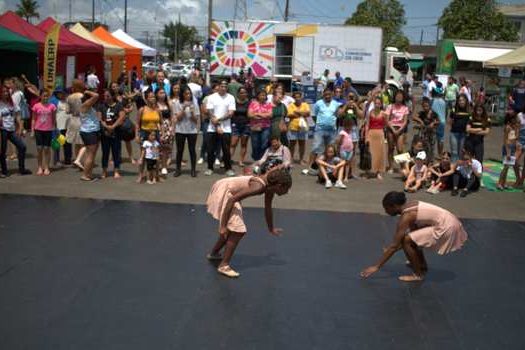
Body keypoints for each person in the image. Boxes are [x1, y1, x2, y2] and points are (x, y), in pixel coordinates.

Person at [360, 191, 468, 282]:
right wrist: (396, 248)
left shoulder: (407, 216)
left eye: (386, 208)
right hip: (450, 221)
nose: (385, 211)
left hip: (447, 227)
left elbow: (395, 245)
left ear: (394, 206)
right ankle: (421, 265)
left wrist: (376, 266)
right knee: (412, 239)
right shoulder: (411, 206)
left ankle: (418, 275)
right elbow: (415, 236)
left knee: (407, 240)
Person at [206, 166, 292, 278]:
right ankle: (224, 266)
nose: (286, 192)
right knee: (238, 231)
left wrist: (271, 228)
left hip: (229, 191)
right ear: (279, 185)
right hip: (226, 192)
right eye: (286, 189)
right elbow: (232, 200)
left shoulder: (269, 188)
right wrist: (222, 226)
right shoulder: (259, 186)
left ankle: (214, 254)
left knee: (233, 228)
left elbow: (267, 208)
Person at [306, 89, 342, 173]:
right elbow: (314, 115)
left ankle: (327, 168)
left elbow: (338, 115)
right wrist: (319, 123)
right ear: (323, 95)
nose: (327, 96)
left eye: (329, 94)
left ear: (332, 94)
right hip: (320, 129)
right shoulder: (318, 103)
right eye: (325, 94)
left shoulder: (335, 104)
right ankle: (310, 167)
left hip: (332, 130)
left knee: (330, 149)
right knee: (315, 148)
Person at [205, 80, 236, 176]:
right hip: (212, 128)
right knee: (210, 149)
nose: (223, 88)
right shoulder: (211, 97)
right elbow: (209, 111)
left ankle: (228, 168)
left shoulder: (231, 97)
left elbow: (231, 113)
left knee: (226, 150)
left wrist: (219, 120)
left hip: (226, 128)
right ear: (218, 86)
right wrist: (217, 124)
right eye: (221, 86)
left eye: (225, 86)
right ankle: (210, 167)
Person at [0, 86, 31, 177]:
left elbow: (18, 115)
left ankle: (22, 169)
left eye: (6, 92)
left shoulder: (12, 103)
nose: (5, 93)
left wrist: (20, 128)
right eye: (3, 92)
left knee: (22, 147)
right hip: (2, 130)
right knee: (2, 151)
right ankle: (4, 171)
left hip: (11, 130)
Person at [98, 89, 126, 179]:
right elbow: (99, 118)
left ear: (112, 96)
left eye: (108, 96)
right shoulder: (101, 105)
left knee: (116, 152)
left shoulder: (118, 105)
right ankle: (104, 171)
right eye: (105, 96)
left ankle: (116, 170)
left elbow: (122, 117)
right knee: (105, 152)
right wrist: (105, 126)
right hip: (104, 132)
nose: (105, 98)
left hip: (116, 132)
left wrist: (113, 126)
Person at [173, 86, 200, 177]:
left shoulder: (194, 103)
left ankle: (193, 169)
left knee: (192, 150)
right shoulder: (177, 103)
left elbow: (196, 119)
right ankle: (178, 169)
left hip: (192, 130)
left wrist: (192, 113)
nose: (188, 95)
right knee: (179, 150)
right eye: (186, 94)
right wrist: (183, 108)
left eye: (189, 94)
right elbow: (178, 118)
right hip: (180, 130)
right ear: (182, 94)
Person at [135, 89, 161, 183]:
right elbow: (137, 124)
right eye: (150, 97)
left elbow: (161, 123)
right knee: (143, 154)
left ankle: (156, 175)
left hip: (155, 133)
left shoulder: (157, 110)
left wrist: (161, 133)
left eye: (154, 97)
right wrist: (137, 135)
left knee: (156, 155)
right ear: (146, 99)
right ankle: (141, 175)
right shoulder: (142, 109)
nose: (152, 99)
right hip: (144, 132)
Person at [31, 90, 57, 176]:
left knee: (47, 149)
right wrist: (32, 131)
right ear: (40, 96)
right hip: (38, 130)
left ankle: (46, 167)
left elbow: (54, 119)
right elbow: (34, 119)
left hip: (48, 130)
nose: (45, 97)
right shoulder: (36, 106)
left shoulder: (52, 106)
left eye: (47, 96)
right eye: (44, 96)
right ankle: (39, 167)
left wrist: (55, 129)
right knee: (39, 149)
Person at [78, 90, 100, 181]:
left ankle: (89, 174)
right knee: (90, 155)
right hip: (89, 132)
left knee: (91, 154)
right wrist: (87, 91)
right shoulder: (85, 105)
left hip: (91, 131)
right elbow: (96, 95)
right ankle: (85, 175)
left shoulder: (88, 106)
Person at [386, 90, 409, 173]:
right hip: (391, 128)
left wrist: (399, 130)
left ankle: (403, 166)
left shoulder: (405, 108)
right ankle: (391, 166)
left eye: (400, 97)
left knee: (400, 149)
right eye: (397, 96)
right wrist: (392, 129)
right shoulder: (390, 106)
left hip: (400, 129)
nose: (399, 98)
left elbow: (405, 121)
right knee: (391, 148)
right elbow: (387, 120)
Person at [365, 96, 388, 180]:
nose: (377, 105)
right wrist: (366, 136)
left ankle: (378, 172)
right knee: (371, 153)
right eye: (375, 103)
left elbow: (385, 125)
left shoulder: (384, 114)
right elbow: (367, 125)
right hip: (371, 133)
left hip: (380, 133)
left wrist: (384, 136)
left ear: (381, 104)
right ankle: (370, 170)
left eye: (378, 103)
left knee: (379, 153)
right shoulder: (370, 112)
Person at [66, 79, 87, 170]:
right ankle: (80, 161)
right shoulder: (83, 96)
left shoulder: (69, 97)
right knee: (83, 142)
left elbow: (67, 111)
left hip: (73, 119)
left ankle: (76, 159)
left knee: (76, 142)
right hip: (82, 119)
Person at [248, 89, 273, 162]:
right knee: (255, 144)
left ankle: (262, 159)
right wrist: (264, 115)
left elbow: (270, 115)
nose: (263, 97)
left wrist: (257, 114)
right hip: (255, 126)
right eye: (261, 95)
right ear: (258, 96)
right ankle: (256, 158)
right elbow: (249, 114)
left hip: (266, 127)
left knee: (264, 144)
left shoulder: (268, 104)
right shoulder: (253, 103)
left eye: (264, 95)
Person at [287, 91, 310, 165]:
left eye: (299, 97)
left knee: (302, 144)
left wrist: (297, 112)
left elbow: (308, 114)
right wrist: (302, 113)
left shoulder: (305, 104)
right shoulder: (291, 105)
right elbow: (289, 115)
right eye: (295, 97)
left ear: (301, 97)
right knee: (292, 144)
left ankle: (301, 159)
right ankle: (291, 159)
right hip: (293, 127)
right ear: (293, 98)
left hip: (303, 128)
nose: (297, 98)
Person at [497, 114, 520, 190]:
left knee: (508, 166)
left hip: (513, 148)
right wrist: (508, 152)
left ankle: (503, 183)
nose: (516, 120)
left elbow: (516, 137)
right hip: (508, 148)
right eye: (515, 118)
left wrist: (517, 128)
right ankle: (500, 183)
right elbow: (505, 140)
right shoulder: (508, 127)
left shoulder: (514, 127)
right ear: (511, 119)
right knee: (506, 166)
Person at [413, 97, 439, 162]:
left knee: (431, 148)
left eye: (427, 106)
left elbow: (438, 121)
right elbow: (413, 117)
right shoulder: (422, 113)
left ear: (430, 106)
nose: (425, 108)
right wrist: (420, 121)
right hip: (424, 133)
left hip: (432, 133)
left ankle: (430, 162)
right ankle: (423, 161)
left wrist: (433, 123)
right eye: (424, 106)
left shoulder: (434, 113)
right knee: (423, 147)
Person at [230, 87, 251, 167]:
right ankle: (228, 159)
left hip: (246, 125)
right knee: (233, 143)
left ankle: (241, 161)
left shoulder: (249, 103)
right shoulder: (234, 102)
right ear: (238, 94)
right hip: (235, 125)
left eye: (245, 92)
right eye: (241, 93)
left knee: (244, 144)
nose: (243, 94)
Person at [155, 87, 173, 176]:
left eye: (163, 93)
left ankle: (164, 166)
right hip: (157, 126)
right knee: (157, 148)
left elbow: (172, 116)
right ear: (156, 94)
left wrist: (172, 128)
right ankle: (156, 165)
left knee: (166, 147)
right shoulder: (154, 105)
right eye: (160, 93)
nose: (162, 95)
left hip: (167, 126)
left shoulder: (168, 104)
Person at [449, 94, 471, 162]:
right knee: (454, 152)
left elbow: (470, 122)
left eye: (463, 100)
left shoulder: (469, 111)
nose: (461, 102)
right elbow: (450, 121)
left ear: (466, 101)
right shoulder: (454, 109)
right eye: (460, 100)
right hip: (454, 133)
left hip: (464, 134)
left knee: (461, 152)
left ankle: (459, 169)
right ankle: (453, 168)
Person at [55, 88, 72, 165]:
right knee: (58, 143)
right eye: (58, 93)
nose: (60, 95)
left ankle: (68, 159)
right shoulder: (56, 102)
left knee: (67, 143)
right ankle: (57, 159)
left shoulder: (68, 101)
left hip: (68, 126)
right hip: (59, 126)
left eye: (62, 93)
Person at [336, 117, 354, 183]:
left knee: (348, 164)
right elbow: (338, 142)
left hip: (350, 150)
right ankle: (340, 175)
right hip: (343, 150)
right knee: (342, 163)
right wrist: (338, 150)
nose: (350, 128)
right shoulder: (342, 132)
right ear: (345, 126)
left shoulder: (350, 133)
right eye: (349, 126)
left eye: (351, 126)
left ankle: (346, 176)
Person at [431, 83, 447, 156]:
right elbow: (446, 113)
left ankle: (431, 154)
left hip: (434, 122)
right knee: (440, 139)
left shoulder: (432, 101)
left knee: (432, 138)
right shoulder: (444, 102)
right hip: (442, 122)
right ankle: (440, 154)